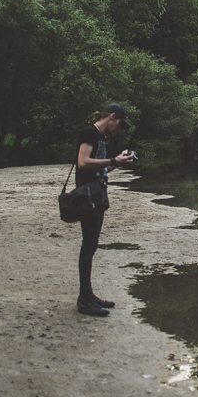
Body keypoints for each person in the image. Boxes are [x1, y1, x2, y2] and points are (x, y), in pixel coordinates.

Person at [76, 104, 134, 317]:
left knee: (91, 246)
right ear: (112, 117)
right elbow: (82, 163)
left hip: (97, 196)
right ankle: (84, 300)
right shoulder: (89, 132)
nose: (118, 128)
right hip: (87, 197)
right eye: (119, 124)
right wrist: (112, 160)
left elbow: (99, 167)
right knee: (88, 245)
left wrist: (118, 162)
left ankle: (88, 295)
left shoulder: (99, 137)